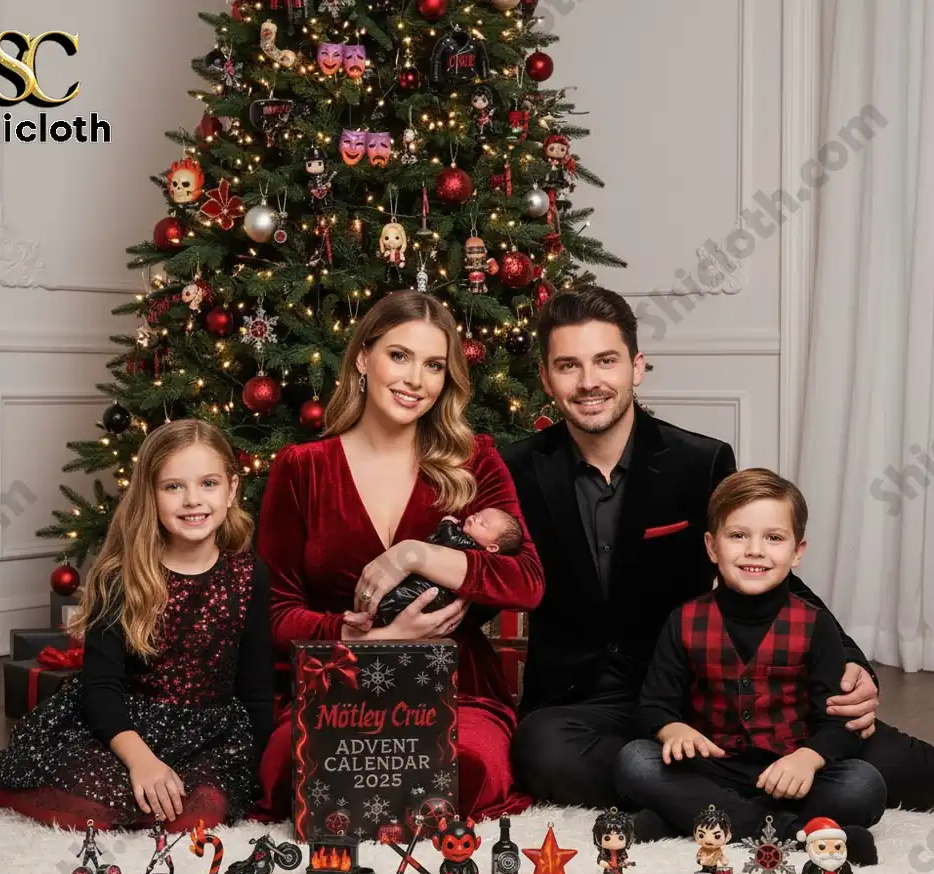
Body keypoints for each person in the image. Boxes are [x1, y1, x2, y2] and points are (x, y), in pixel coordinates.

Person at [502, 285, 934, 815]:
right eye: (568, 365)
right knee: (541, 750)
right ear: (546, 378)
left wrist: (849, 658)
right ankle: (753, 799)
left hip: (710, 686)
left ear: (636, 367)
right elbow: (486, 576)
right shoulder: (517, 468)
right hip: (588, 703)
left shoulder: (699, 461)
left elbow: (756, 565)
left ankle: (697, 800)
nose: (589, 381)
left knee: (898, 762)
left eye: (606, 361)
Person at [254, 289, 544, 822]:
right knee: (291, 771)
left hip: (453, 687)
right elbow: (272, 611)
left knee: (463, 770)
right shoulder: (302, 467)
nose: (416, 380)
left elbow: (526, 581)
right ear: (363, 357)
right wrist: (366, 638)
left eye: (434, 365)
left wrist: (414, 555)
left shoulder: (472, 459)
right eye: (399, 356)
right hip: (338, 681)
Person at [0, 420, 273, 832]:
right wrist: (142, 760)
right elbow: (101, 688)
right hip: (125, 728)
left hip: (211, 734)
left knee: (194, 818)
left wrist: (260, 777)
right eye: (173, 487)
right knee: (105, 805)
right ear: (150, 494)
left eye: (208, 483)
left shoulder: (248, 575)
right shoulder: (123, 576)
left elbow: (256, 689)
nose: (192, 500)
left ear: (232, 489)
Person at [615, 469, 886, 863]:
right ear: (712, 547)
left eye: (773, 538)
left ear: (797, 551)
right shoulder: (684, 620)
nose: (755, 550)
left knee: (864, 786)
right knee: (634, 761)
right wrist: (673, 730)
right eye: (738, 535)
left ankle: (692, 819)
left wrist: (807, 759)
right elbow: (655, 704)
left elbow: (838, 724)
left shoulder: (816, 625)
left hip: (788, 772)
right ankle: (788, 831)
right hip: (711, 769)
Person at [372, 508, 524, 627]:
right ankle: (370, 618)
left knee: (397, 599)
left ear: (491, 547)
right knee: (391, 594)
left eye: (482, 524)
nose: (474, 519)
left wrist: (447, 523)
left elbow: (450, 539)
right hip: (420, 580)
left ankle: (372, 619)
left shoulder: (472, 547)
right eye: (477, 515)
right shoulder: (465, 536)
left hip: (429, 590)